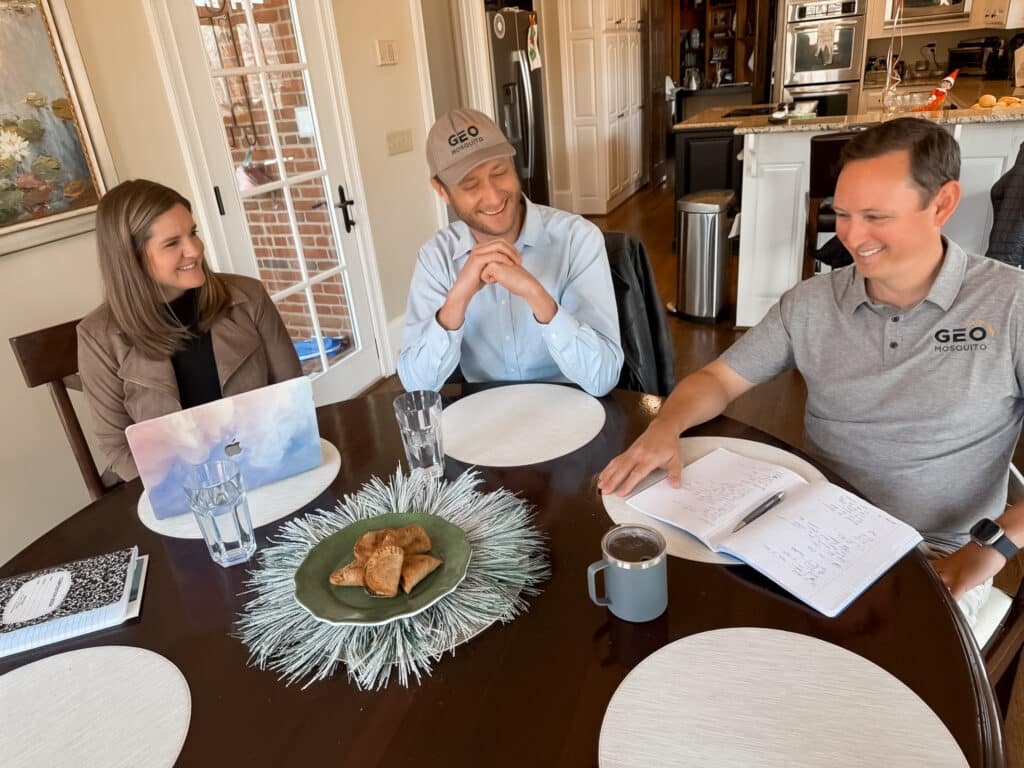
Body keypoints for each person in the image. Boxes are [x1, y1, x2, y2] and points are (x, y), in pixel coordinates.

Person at [598, 117, 1024, 623]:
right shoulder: (811, 302)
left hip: (935, 552)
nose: (851, 235)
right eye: (841, 213)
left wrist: (990, 551)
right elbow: (717, 379)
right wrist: (666, 425)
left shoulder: (1010, 303)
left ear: (943, 204)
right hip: (814, 530)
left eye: (874, 216)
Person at [78, 179, 302, 481]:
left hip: (269, 468)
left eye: (192, 232)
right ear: (130, 259)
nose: (194, 249)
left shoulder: (249, 297)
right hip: (181, 494)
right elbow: (118, 447)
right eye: (172, 243)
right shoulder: (98, 337)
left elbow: (291, 397)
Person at [397, 108, 623, 397]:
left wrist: (536, 296)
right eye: (470, 185)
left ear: (513, 164)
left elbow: (602, 377)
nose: (492, 197)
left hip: (572, 411)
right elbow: (417, 388)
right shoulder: (436, 258)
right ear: (441, 191)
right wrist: (457, 299)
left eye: (499, 172)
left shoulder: (578, 239)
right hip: (486, 419)